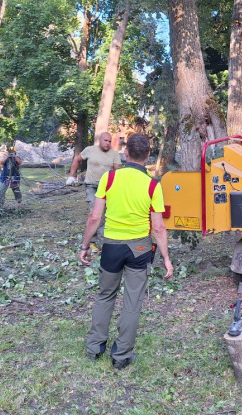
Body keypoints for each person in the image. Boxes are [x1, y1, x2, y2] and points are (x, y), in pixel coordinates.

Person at [80, 133, 173, 369]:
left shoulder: (109, 178)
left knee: (105, 296)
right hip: (140, 247)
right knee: (132, 301)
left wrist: (84, 245)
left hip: (111, 246)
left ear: (126, 154)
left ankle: (94, 348)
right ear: (148, 156)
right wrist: (166, 258)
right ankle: (121, 357)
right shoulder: (153, 184)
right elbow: (159, 228)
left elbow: (94, 217)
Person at [66, 132, 121, 249]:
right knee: (95, 211)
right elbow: (77, 160)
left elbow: (118, 171)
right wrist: (71, 175)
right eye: (106, 140)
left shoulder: (114, 154)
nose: (108, 143)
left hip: (107, 188)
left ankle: (101, 239)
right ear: (100, 140)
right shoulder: (90, 150)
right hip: (91, 186)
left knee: (104, 213)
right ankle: (97, 241)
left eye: (110, 141)